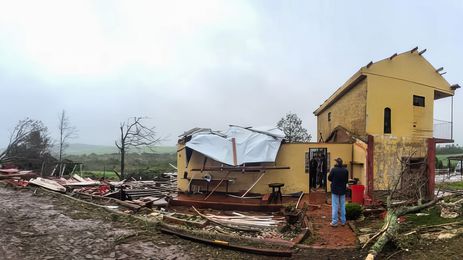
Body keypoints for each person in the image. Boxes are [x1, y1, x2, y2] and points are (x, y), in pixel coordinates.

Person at [328, 157, 349, 227]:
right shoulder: (345, 170)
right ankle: (343, 221)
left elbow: (329, 178)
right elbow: (346, 180)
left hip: (335, 190)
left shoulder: (333, 170)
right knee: (342, 205)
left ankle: (334, 222)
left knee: (335, 206)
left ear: (337, 163)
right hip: (343, 190)